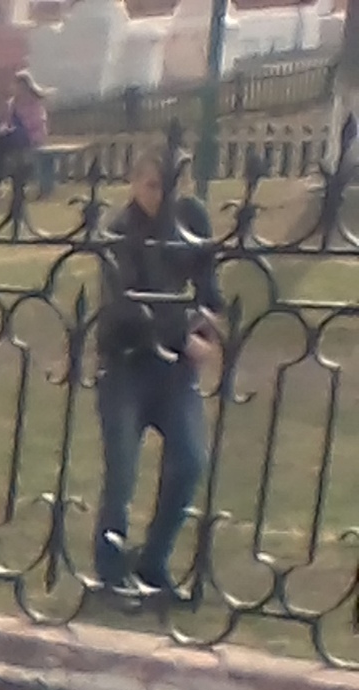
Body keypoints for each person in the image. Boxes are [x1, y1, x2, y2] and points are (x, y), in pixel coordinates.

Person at [95, 149, 223, 597]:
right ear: (134, 183)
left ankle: (153, 564)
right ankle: (110, 573)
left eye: (169, 187)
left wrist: (209, 326)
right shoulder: (118, 231)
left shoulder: (192, 218)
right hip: (127, 363)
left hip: (174, 372)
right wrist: (186, 335)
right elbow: (132, 304)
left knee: (189, 462)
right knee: (122, 473)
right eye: (151, 186)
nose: (161, 196)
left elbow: (209, 288)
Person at [0, 70, 49, 188]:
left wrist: (23, 124)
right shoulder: (13, 103)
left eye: (21, 86)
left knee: (13, 141)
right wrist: (5, 128)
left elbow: (38, 121)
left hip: (31, 136)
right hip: (15, 135)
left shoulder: (34, 102)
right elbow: (7, 121)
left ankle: (8, 178)